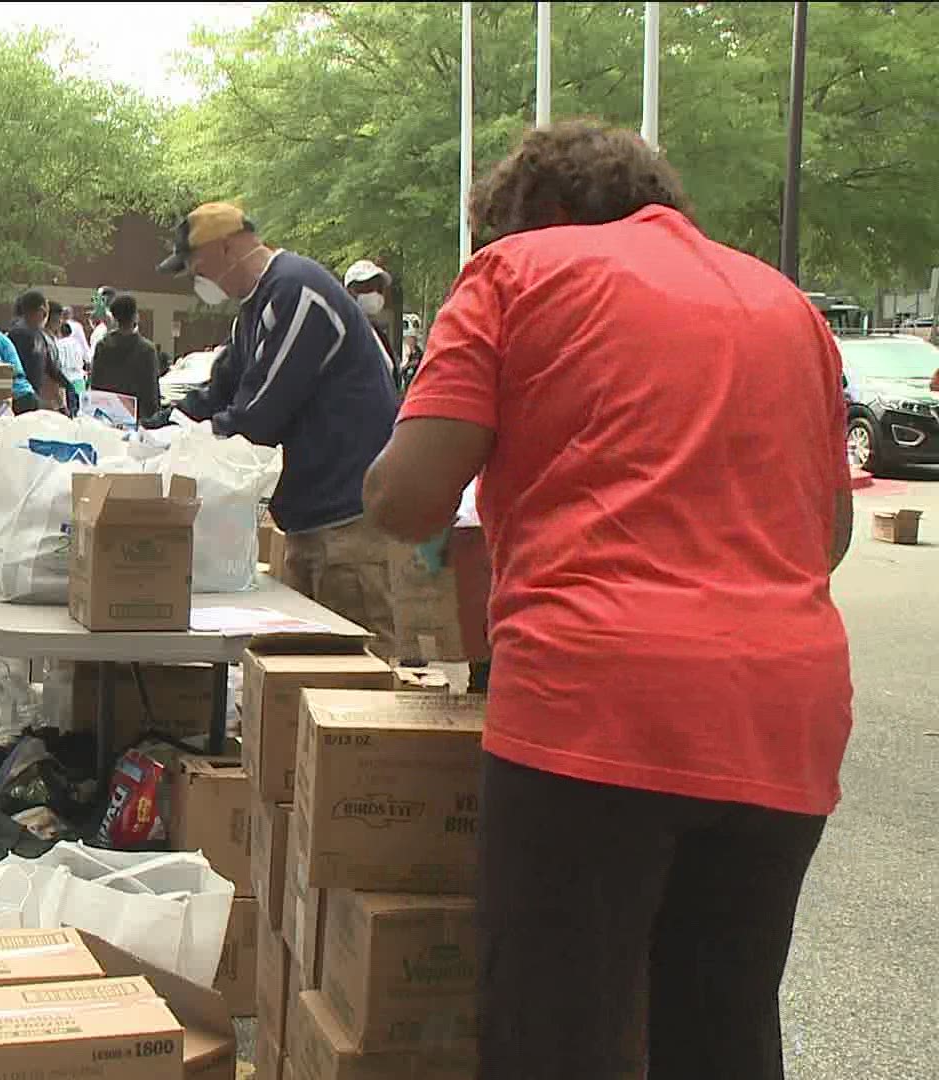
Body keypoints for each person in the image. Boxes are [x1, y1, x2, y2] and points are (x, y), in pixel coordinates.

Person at [362, 120, 851, 1079]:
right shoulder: (787, 305)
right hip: (784, 719)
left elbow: (405, 496)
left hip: (594, 709)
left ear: (536, 216)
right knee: (723, 1026)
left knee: (557, 1032)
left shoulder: (517, 273)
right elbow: (826, 535)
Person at [157, 201, 400, 652]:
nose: (196, 279)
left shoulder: (296, 292)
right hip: (309, 518)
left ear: (227, 248)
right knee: (306, 669)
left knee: (359, 666)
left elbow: (260, 413)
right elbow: (222, 385)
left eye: (196, 265)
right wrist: (161, 426)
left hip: (347, 516)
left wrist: (198, 438)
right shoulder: (254, 309)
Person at [89, 294, 161, 419]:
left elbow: (95, 383)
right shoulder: (147, 349)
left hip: (108, 414)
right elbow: (151, 390)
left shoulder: (103, 345)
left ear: (115, 317)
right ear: (135, 317)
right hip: (137, 416)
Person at [7, 289, 66, 412]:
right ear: (41, 311)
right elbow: (18, 370)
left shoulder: (39, 334)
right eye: (45, 311)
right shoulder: (18, 333)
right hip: (22, 398)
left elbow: (50, 366)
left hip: (34, 396)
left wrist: (68, 385)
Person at [344, 259, 399, 377]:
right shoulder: (344, 334)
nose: (375, 293)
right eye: (368, 287)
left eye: (379, 288)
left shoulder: (380, 336)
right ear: (350, 291)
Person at [88, 285, 115, 351]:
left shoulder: (111, 315)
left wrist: (100, 294)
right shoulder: (98, 321)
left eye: (99, 296)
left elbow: (104, 315)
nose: (96, 298)